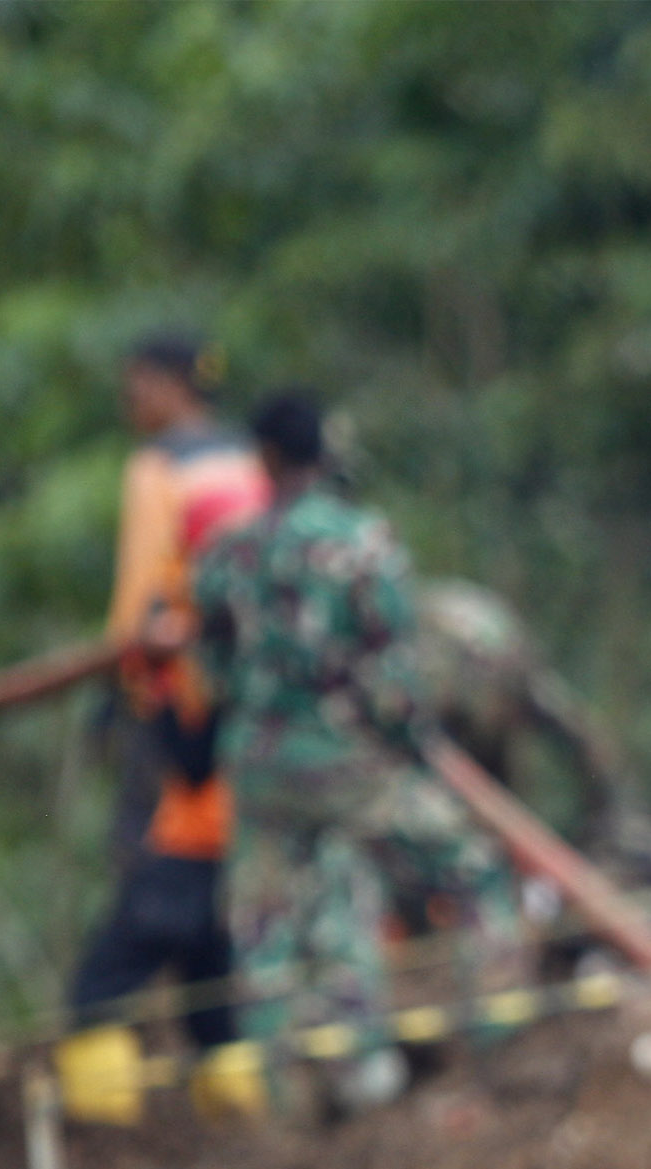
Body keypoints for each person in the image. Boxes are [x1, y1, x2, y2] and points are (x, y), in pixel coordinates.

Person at [195, 388, 526, 1114]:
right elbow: (393, 676)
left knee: (267, 926)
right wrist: (409, 746)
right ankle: (502, 1049)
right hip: (349, 765)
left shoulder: (228, 553)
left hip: (257, 767)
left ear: (267, 459)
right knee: (476, 873)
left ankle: (283, 1103)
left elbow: (212, 668)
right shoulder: (362, 543)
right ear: (328, 455)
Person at [67, 331, 271, 1126]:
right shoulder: (250, 462)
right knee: (213, 899)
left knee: (154, 881)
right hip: (249, 711)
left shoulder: (160, 470)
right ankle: (230, 1084)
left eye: (136, 383)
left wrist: (122, 684)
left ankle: (101, 1112)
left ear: (167, 385)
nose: (129, 401)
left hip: (177, 702)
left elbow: (141, 593)